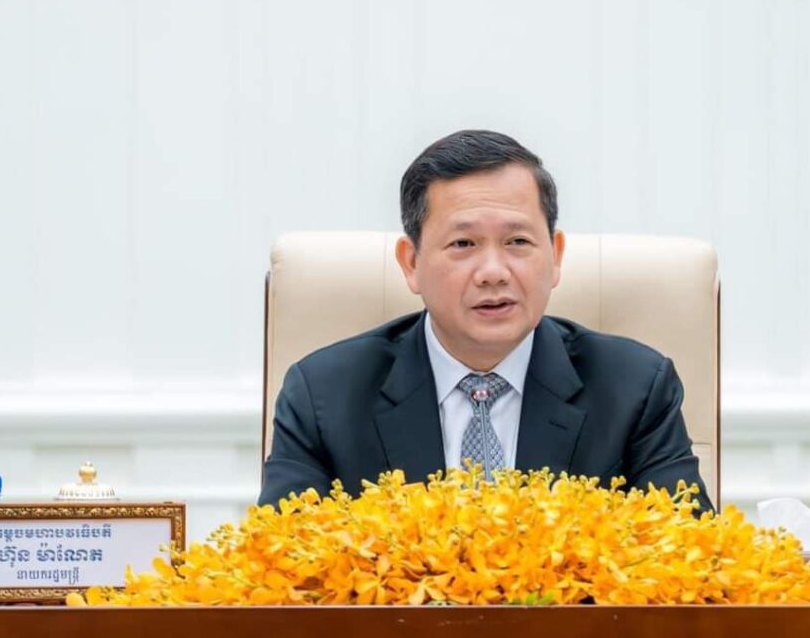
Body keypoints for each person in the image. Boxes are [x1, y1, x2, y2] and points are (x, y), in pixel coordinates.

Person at [258, 129, 713, 514]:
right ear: (411, 262)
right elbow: (286, 570)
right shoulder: (323, 396)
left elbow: (688, 564)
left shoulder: (634, 388)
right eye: (463, 244)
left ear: (555, 256)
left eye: (517, 242)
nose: (493, 272)